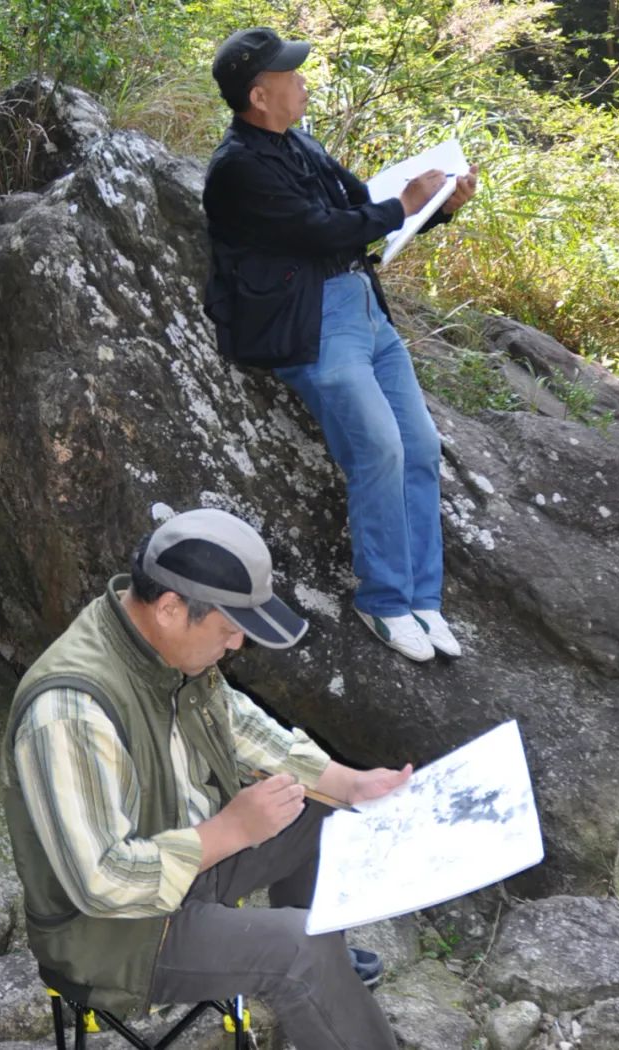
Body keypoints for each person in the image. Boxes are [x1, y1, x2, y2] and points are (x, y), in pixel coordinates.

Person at [2, 507, 412, 1050]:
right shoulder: (70, 711)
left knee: (324, 811)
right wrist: (231, 831)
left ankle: (322, 990)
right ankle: (314, 975)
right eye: (230, 629)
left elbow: (236, 721)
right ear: (171, 607)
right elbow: (103, 884)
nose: (238, 645)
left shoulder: (159, 646)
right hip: (114, 935)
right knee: (298, 950)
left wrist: (348, 783)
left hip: (190, 862)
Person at [202, 27, 479, 663]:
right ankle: (384, 601)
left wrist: (438, 203)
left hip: (364, 311)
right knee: (377, 448)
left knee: (419, 446)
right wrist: (398, 208)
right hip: (314, 324)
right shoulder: (237, 167)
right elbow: (320, 230)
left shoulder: (298, 141)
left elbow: (366, 203)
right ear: (258, 96)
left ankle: (423, 597)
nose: (302, 82)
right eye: (291, 76)